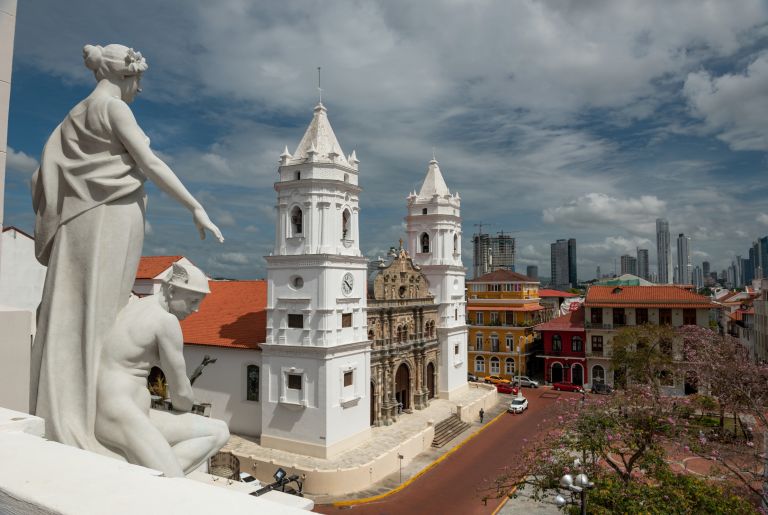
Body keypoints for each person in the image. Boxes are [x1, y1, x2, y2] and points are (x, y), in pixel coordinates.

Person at [30, 44, 223, 454]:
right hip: (110, 219)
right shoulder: (115, 109)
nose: (139, 90)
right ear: (125, 75)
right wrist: (196, 206)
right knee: (98, 312)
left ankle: (70, 409)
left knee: (78, 308)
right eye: (138, 81)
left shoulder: (74, 115)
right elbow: (151, 163)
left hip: (81, 220)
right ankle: (85, 420)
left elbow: (43, 177)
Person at [95, 263, 229, 477]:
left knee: (219, 430)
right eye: (193, 300)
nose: (196, 309)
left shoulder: (135, 304)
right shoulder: (166, 321)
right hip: (121, 414)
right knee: (172, 480)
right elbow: (181, 395)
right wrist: (184, 406)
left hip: (125, 410)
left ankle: (143, 477)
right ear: (172, 289)